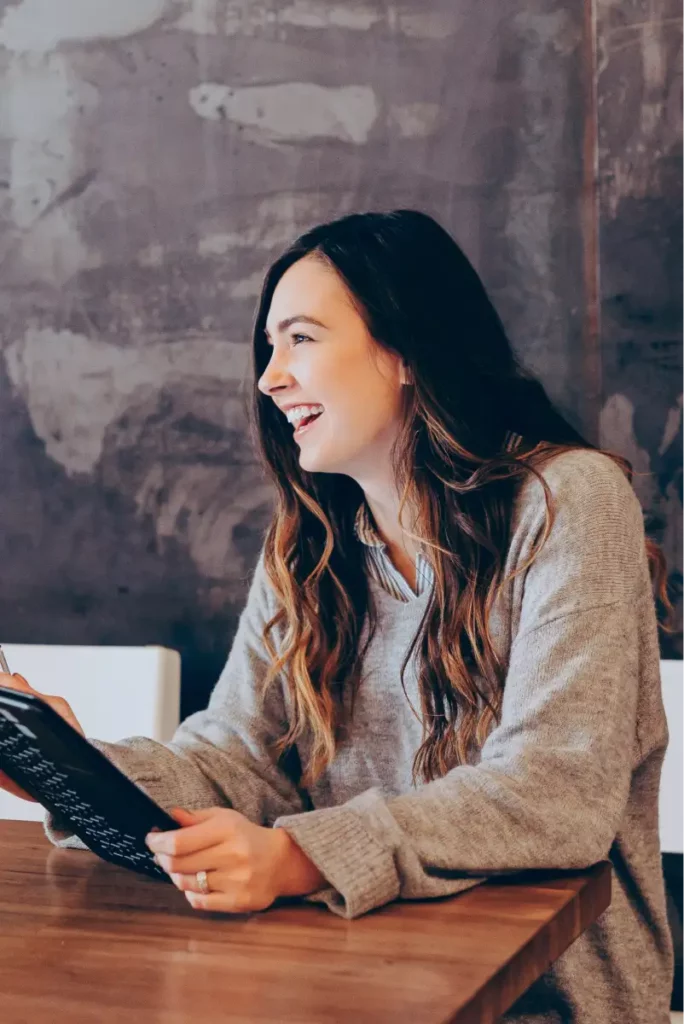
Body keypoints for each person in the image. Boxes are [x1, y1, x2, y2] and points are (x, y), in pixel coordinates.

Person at [0, 210, 675, 1022]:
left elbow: (553, 793)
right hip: (350, 981)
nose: (269, 377)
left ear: (404, 352)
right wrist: (76, 776)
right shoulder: (308, 547)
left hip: (539, 1001)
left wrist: (298, 858)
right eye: (270, 346)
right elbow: (236, 761)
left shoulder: (569, 502)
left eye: (302, 338)